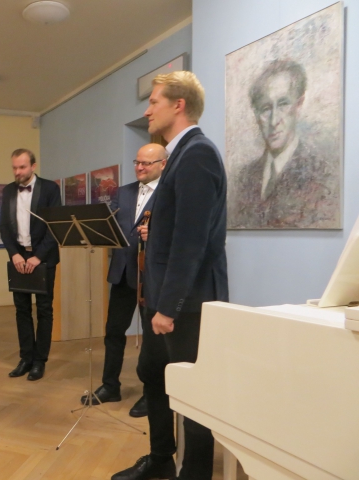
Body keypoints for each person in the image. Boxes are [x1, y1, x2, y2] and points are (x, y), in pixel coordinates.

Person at [112, 71, 228, 480]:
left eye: (154, 101)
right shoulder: (178, 155)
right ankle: (161, 459)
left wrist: (169, 307)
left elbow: (191, 242)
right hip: (162, 301)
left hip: (185, 305)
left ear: (179, 105)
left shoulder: (197, 153)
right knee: (153, 377)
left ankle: (194, 473)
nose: (147, 110)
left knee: (192, 396)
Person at [81, 143, 167, 420]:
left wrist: (155, 234)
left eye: (146, 163)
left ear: (163, 164)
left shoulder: (171, 192)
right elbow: (112, 226)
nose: (139, 167)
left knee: (152, 340)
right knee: (113, 332)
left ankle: (152, 393)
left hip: (151, 277)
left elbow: (176, 232)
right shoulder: (123, 191)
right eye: (137, 162)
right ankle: (110, 386)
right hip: (122, 273)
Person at [228, 59, 339, 229]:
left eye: (283, 104)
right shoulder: (244, 178)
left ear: (298, 106)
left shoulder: (322, 174)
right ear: (256, 115)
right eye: (266, 108)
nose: (274, 121)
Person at [0, 148, 61, 381]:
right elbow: (4, 226)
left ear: (33, 166)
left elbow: (54, 226)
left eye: (22, 167)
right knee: (21, 309)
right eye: (14, 167)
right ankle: (25, 358)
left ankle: (39, 361)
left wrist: (38, 257)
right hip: (18, 256)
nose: (17, 172)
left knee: (44, 309)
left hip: (43, 258)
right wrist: (14, 254)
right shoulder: (8, 190)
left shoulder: (50, 189)